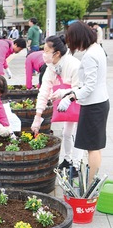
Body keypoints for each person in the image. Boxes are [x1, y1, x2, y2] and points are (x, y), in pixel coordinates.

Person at [58, 20, 109, 183]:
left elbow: (89, 87)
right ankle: (91, 180)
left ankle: (90, 184)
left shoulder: (90, 55)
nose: (74, 46)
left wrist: (70, 98)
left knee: (92, 148)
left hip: (93, 106)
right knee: (95, 146)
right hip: (99, 103)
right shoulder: (97, 49)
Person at [31, 35, 84, 176]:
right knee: (66, 132)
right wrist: (38, 115)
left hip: (79, 102)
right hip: (66, 105)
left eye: (46, 51)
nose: (43, 54)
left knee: (78, 134)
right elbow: (44, 91)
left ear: (57, 53)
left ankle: (77, 165)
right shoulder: (51, 67)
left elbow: (80, 88)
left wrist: (63, 93)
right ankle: (67, 159)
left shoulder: (74, 65)